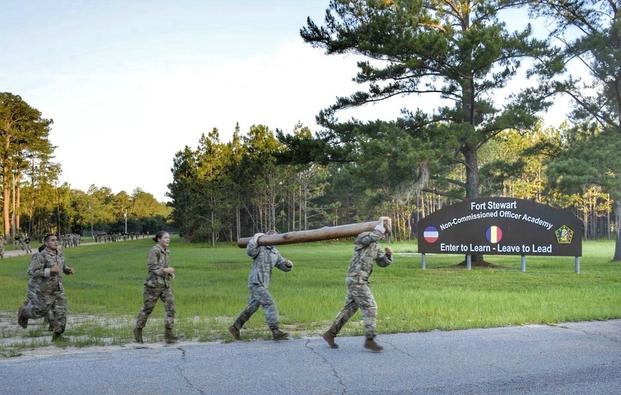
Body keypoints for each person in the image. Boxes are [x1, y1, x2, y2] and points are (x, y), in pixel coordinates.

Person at [322, 217, 393, 352]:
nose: (383, 235)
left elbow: (382, 263)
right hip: (356, 279)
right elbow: (372, 237)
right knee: (370, 306)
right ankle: (370, 340)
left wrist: (389, 255)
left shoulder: (375, 246)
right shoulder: (363, 238)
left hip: (360, 280)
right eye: (383, 232)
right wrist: (381, 225)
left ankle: (330, 334)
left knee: (349, 309)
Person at [229, 231, 293, 341]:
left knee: (252, 308)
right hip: (255, 282)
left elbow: (282, 265)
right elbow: (250, 251)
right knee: (269, 303)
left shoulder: (275, 252)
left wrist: (288, 265)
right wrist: (257, 237)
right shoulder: (259, 247)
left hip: (264, 284)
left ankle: (235, 327)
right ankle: (275, 331)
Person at [17, 234, 75, 342]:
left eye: (56, 240)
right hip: (44, 289)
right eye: (52, 240)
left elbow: (61, 267)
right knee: (41, 311)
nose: (55, 242)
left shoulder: (60, 253)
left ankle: (57, 336)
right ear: (46, 243)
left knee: (61, 312)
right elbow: (31, 272)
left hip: (58, 288)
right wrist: (50, 271)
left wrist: (67, 270)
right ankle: (24, 312)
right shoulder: (41, 256)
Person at [133, 231, 178, 344]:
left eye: (169, 238)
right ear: (159, 239)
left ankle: (169, 334)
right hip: (153, 285)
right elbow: (152, 268)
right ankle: (138, 330)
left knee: (171, 306)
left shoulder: (167, 251)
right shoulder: (154, 250)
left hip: (165, 285)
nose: (168, 239)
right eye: (165, 238)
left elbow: (164, 266)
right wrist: (166, 270)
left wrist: (169, 273)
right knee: (147, 309)